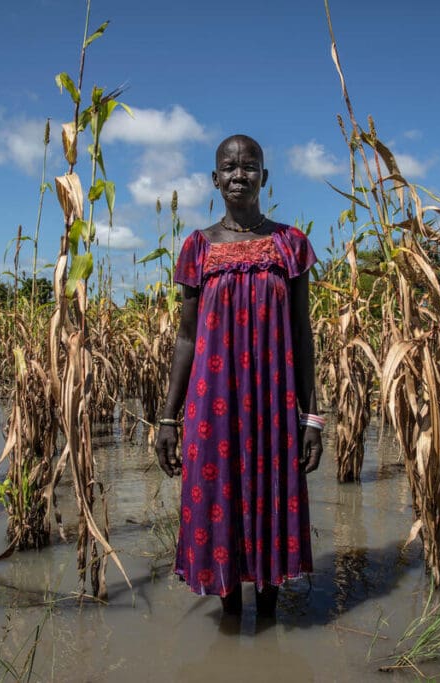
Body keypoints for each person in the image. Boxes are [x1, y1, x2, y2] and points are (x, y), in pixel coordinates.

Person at [155, 134, 324, 618]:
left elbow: (302, 333)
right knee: (218, 506)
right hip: (213, 406)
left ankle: (267, 617)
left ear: (264, 177)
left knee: (272, 502)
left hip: (273, 402)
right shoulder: (197, 247)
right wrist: (168, 421)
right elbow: (185, 339)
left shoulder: (290, 245)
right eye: (228, 168)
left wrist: (312, 418)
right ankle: (231, 614)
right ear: (214, 179)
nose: (238, 175)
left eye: (249, 167)